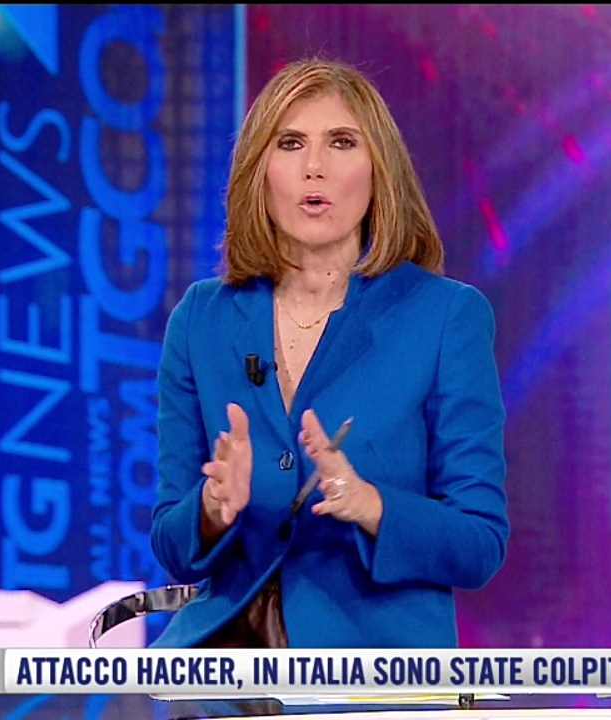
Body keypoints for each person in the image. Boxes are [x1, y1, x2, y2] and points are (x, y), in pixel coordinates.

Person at [149, 58, 509, 649]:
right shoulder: (201, 319)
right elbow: (171, 543)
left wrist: (370, 505)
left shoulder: (445, 316)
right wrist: (213, 506)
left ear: (378, 171)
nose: (313, 167)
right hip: (223, 663)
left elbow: (480, 543)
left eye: (341, 142)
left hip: (370, 666)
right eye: (290, 144)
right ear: (260, 171)